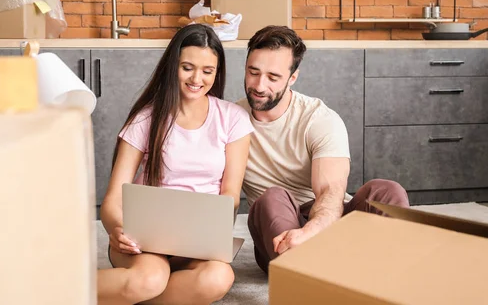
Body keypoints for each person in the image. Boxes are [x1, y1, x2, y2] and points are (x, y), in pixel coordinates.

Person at [98, 24, 254, 305]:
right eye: (187, 67)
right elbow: (112, 199)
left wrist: (198, 231)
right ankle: (47, 291)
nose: (197, 78)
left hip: (198, 240)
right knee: (151, 278)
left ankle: (128, 295)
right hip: (145, 238)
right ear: (173, 66)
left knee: (219, 278)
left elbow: (230, 195)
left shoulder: (233, 119)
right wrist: (117, 230)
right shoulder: (146, 119)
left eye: (207, 71)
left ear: (216, 73)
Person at [237, 25, 410, 273]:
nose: (260, 85)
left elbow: (330, 191)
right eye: (253, 72)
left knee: (387, 192)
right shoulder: (230, 120)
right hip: (277, 231)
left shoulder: (319, 119)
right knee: (272, 197)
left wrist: (311, 232)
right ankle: (320, 271)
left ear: (292, 78)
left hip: (327, 220)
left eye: (273, 78)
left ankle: (381, 266)